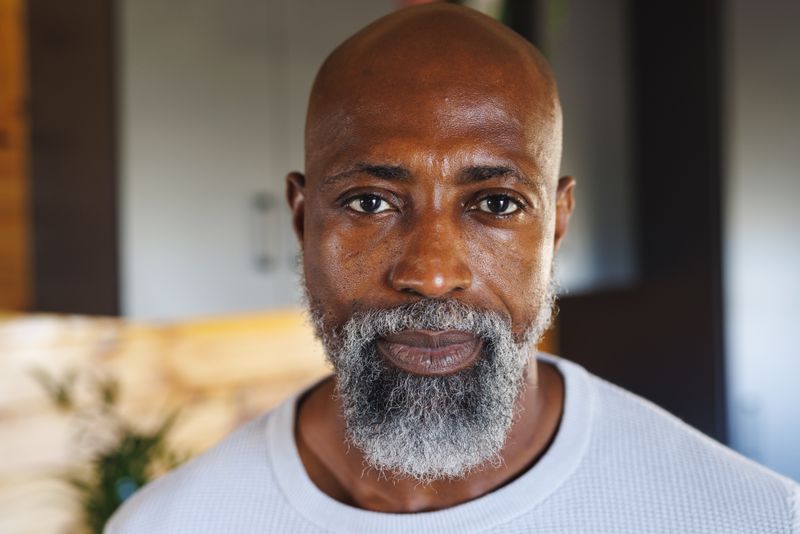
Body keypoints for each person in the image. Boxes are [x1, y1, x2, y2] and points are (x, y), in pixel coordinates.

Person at [107, 4, 799, 533]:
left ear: (555, 224)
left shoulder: (744, 517)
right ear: (300, 218)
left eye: (495, 203)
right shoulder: (169, 525)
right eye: (370, 201)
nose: (432, 275)